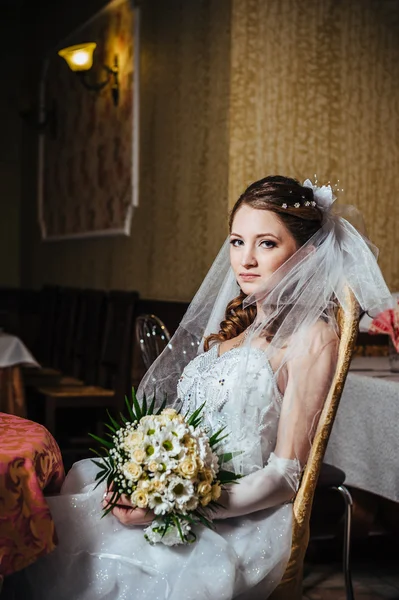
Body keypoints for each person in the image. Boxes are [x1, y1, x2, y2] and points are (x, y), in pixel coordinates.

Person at [14, 176, 391, 600]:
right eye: (236, 241)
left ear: (306, 253)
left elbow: (286, 477)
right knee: (51, 526)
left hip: (236, 518)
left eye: (266, 243)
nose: (245, 259)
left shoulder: (312, 338)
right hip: (182, 491)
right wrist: (146, 476)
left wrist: (176, 503)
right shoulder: (234, 332)